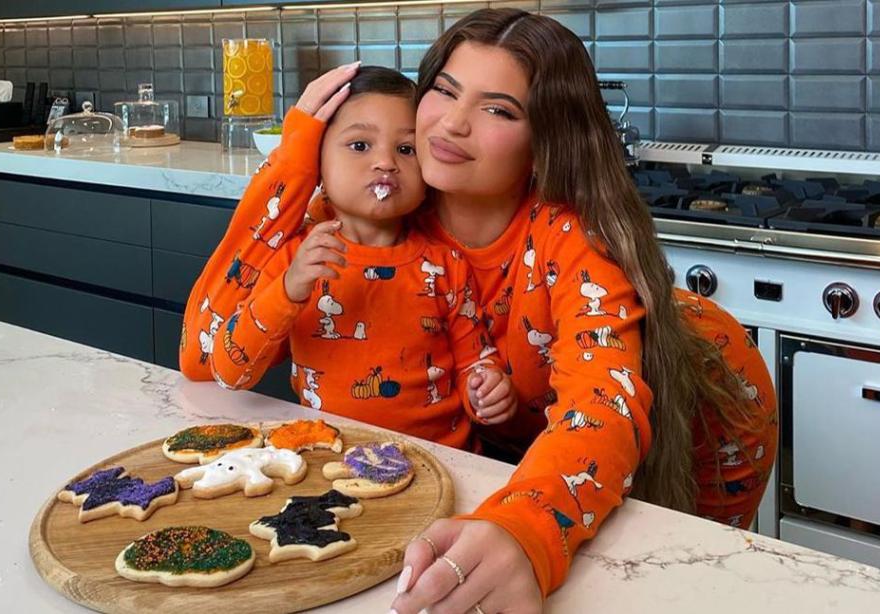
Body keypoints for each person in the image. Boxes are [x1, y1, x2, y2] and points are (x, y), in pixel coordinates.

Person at [184, 10, 777, 614]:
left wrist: (527, 528)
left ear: (545, 143)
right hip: (508, 450)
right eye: (444, 91)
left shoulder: (571, 238)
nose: (453, 123)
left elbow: (600, 404)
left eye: (499, 110)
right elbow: (203, 353)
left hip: (710, 412)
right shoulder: (376, 214)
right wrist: (295, 158)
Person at [180, 65, 517, 450]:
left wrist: (486, 389)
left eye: (406, 149)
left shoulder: (446, 264)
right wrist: (288, 291)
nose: (386, 162)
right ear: (318, 164)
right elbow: (229, 372)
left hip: (443, 459)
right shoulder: (295, 261)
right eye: (360, 146)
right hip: (330, 456)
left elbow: (475, 360)